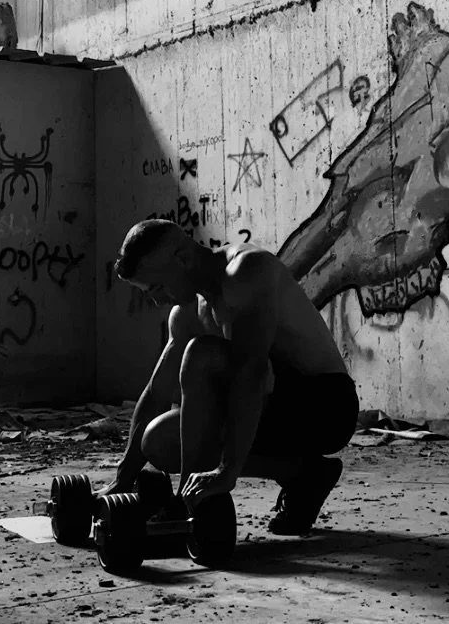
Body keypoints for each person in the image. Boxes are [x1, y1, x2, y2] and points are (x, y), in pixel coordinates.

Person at [104, 219, 359, 535]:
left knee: (200, 354)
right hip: (269, 407)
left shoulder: (247, 271)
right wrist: (123, 478)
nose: (157, 300)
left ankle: (189, 503)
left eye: (156, 287)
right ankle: (306, 474)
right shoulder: (187, 312)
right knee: (159, 440)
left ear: (182, 258)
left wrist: (226, 472)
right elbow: (158, 393)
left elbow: (251, 372)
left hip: (326, 406)